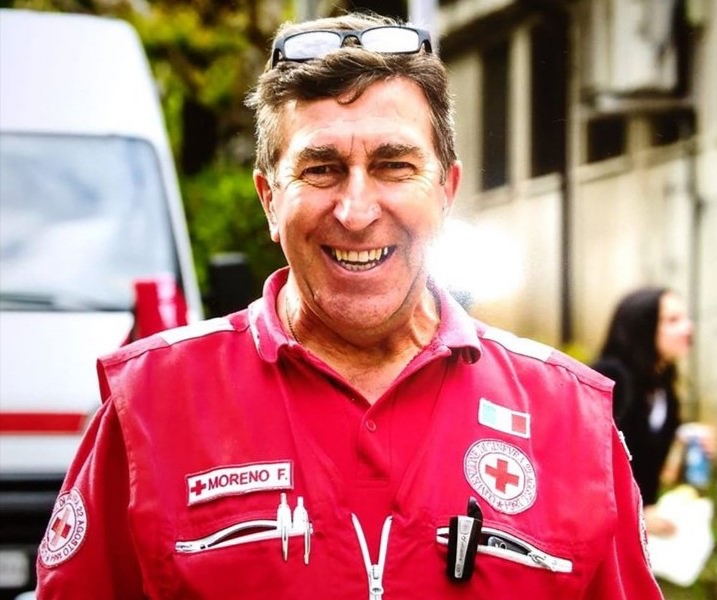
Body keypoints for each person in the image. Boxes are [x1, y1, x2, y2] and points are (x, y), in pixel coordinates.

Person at [35, 11, 663, 599]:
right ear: (269, 200)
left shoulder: (569, 420)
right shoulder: (149, 405)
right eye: (321, 169)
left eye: (394, 166)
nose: (357, 211)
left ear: (446, 191)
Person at [590, 286, 717, 537]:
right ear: (642, 328)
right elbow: (590, 460)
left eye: (685, 318)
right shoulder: (610, 377)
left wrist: (686, 444)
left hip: (633, 532)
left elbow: (650, 465)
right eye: (672, 320)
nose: (688, 328)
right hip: (601, 526)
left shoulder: (663, 387)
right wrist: (635, 513)